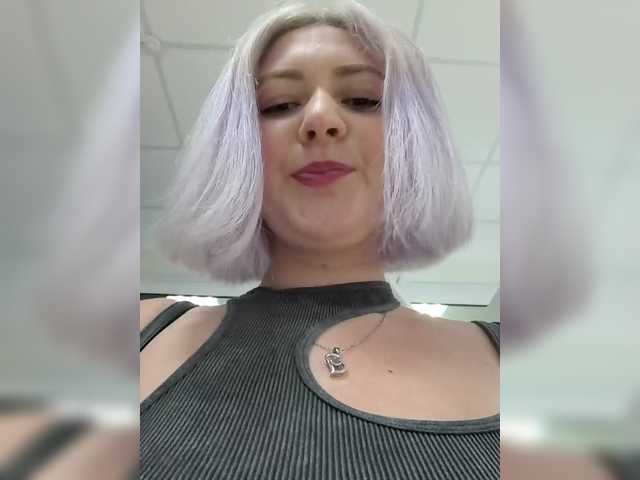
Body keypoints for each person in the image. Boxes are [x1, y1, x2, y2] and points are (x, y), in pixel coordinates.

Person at [140, 1, 499, 478]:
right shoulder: (143, 330)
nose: (321, 117)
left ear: (413, 141)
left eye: (363, 99)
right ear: (238, 149)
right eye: (279, 105)